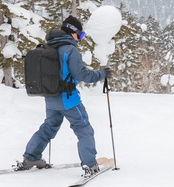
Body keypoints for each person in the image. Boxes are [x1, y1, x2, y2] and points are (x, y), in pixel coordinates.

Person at [16, 15, 109, 178]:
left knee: (49, 127)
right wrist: (101, 74)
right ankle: (90, 164)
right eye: (80, 35)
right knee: (83, 128)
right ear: (73, 32)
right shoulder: (70, 50)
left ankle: (31, 157)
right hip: (68, 98)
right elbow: (81, 75)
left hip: (51, 98)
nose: (80, 39)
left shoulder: (49, 47)